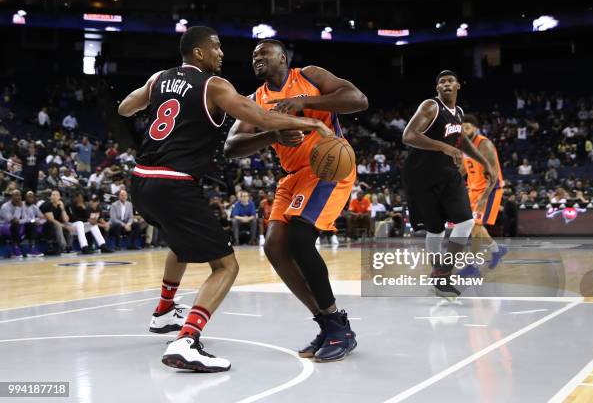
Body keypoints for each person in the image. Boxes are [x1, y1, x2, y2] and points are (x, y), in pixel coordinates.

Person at [118, 26, 331, 372]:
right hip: (174, 183)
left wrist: (161, 104)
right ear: (199, 53)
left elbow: (126, 108)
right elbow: (260, 116)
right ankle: (187, 339)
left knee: (180, 243)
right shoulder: (215, 85)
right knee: (226, 266)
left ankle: (163, 312)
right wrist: (311, 125)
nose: (221, 53)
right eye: (216, 47)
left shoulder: (158, 78)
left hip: (142, 180)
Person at [224, 38, 368, 362]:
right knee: (275, 247)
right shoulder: (255, 100)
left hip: (327, 165)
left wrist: (301, 102)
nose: (257, 57)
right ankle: (330, 324)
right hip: (293, 176)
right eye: (253, 55)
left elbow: (358, 99)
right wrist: (272, 135)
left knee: (301, 237)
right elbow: (232, 145)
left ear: (283, 58)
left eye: (264, 52)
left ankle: (336, 324)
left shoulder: (310, 75)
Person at [402, 70, 497, 299]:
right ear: (437, 88)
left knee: (465, 221)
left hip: (447, 173)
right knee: (435, 229)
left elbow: (461, 140)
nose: (446, 84)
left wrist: (484, 162)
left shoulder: (459, 113)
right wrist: (444, 147)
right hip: (421, 174)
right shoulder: (431, 107)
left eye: (450, 81)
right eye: (441, 81)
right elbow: (408, 135)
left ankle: (442, 273)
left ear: (458, 86)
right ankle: (439, 278)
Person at [460, 114, 507, 269]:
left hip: (490, 189)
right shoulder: (464, 145)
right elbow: (463, 169)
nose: (465, 131)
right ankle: (496, 250)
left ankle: (472, 267)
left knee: (476, 227)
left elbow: (493, 176)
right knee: (474, 227)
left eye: (468, 127)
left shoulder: (484, 145)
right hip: (474, 190)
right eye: (463, 128)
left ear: (475, 128)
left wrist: (484, 198)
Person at [39, 190, 75, 254]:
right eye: (52, 195)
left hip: (55, 224)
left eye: (56, 195)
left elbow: (66, 220)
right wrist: (65, 226)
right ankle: (63, 246)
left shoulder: (60, 205)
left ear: (59, 197)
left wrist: (62, 209)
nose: (54, 196)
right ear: (50, 196)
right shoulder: (46, 205)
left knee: (69, 225)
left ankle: (69, 247)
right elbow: (51, 219)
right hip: (45, 225)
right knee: (58, 226)